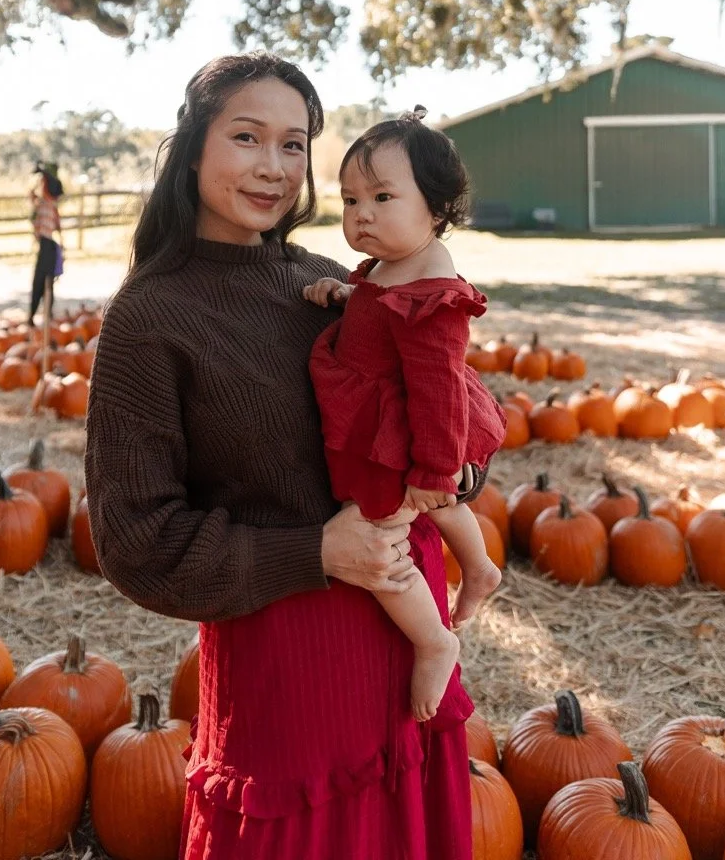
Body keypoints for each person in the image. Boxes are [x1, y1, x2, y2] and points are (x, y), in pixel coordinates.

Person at [84, 53, 488, 860]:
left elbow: (455, 410)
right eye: (246, 137)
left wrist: (457, 475)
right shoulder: (150, 318)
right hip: (287, 687)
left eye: (294, 143)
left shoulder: (339, 281)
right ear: (194, 146)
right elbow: (138, 544)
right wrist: (315, 550)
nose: (273, 167)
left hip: (405, 654)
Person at [303, 107, 507, 723]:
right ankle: (478, 565)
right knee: (445, 509)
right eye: (350, 200)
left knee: (375, 541)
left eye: (383, 196)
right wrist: (344, 294)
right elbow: (375, 305)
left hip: (401, 436)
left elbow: (438, 390)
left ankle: (432, 639)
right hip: (387, 419)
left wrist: (434, 469)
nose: (361, 213)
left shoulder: (433, 296)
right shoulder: (394, 265)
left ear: (436, 208)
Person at [28, 162, 63, 326]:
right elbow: (58, 227)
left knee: (40, 281)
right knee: (47, 282)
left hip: (46, 246)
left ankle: (36, 316)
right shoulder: (51, 206)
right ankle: (46, 315)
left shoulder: (45, 205)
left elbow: (30, 195)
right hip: (49, 246)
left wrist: (37, 180)